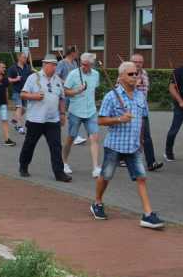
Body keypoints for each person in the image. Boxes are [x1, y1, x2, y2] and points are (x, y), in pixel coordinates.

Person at [91, 61, 165, 229]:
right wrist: (119, 119)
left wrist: (141, 140)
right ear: (121, 77)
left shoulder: (140, 96)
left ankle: (148, 214)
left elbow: (142, 120)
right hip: (115, 145)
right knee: (106, 176)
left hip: (133, 146)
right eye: (131, 74)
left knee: (141, 178)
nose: (135, 76)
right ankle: (97, 202)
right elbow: (100, 120)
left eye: (136, 73)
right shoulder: (111, 96)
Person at [17, 54, 71, 183]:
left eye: (55, 65)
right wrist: (34, 96)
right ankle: (23, 166)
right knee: (29, 145)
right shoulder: (33, 78)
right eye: (53, 65)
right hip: (35, 119)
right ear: (45, 64)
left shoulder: (57, 79)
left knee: (56, 146)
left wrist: (62, 114)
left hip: (53, 120)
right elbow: (22, 94)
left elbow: (62, 98)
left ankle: (59, 173)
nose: (55, 68)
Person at [62, 52, 101, 178]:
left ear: (92, 65)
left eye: (86, 65)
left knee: (94, 138)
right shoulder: (73, 74)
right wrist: (77, 91)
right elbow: (65, 91)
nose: (83, 66)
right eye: (82, 64)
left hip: (91, 111)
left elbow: (94, 90)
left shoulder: (96, 74)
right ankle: (64, 162)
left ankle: (95, 167)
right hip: (75, 111)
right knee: (71, 138)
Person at [132, 53, 163, 172]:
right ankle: (120, 158)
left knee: (146, 137)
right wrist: (134, 84)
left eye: (140, 62)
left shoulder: (144, 73)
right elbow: (118, 91)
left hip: (142, 110)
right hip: (130, 110)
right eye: (135, 62)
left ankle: (151, 163)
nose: (138, 64)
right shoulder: (125, 74)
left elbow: (145, 93)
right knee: (128, 135)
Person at [7, 52, 33, 135]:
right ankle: (20, 127)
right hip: (16, 91)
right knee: (19, 107)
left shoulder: (27, 67)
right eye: (24, 57)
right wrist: (16, 79)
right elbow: (9, 80)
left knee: (24, 109)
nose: (25, 59)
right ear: (19, 58)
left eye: (26, 57)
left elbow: (31, 78)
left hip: (25, 92)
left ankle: (15, 119)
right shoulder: (12, 68)